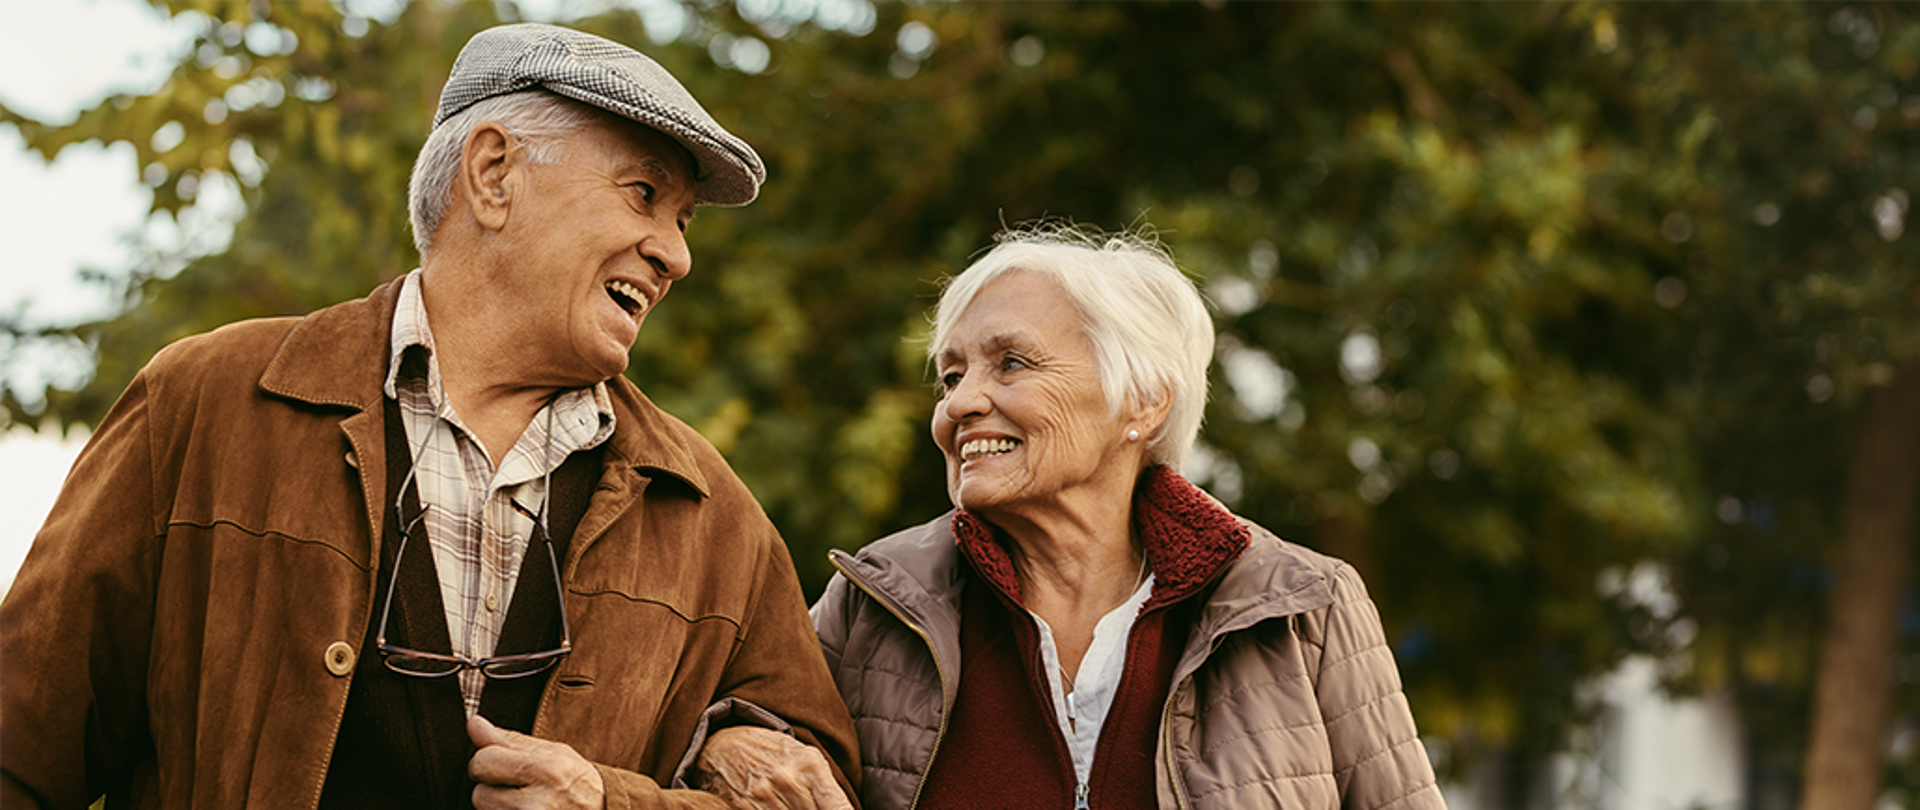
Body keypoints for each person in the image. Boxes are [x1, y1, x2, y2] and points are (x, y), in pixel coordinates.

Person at [0, 23, 857, 810]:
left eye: (681, 221)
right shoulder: (203, 401)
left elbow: (826, 791)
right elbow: (21, 752)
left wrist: (619, 802)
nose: (677, 255)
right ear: (493, 174)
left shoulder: (715, 515)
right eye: (643, 195)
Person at [709, 224, 1447, 808]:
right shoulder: (876, 602)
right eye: (952, 375)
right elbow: (733, 743)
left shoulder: (1302, 607)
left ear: (1143, 401)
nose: (960, 403)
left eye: (1012, 364)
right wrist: (723, 744)